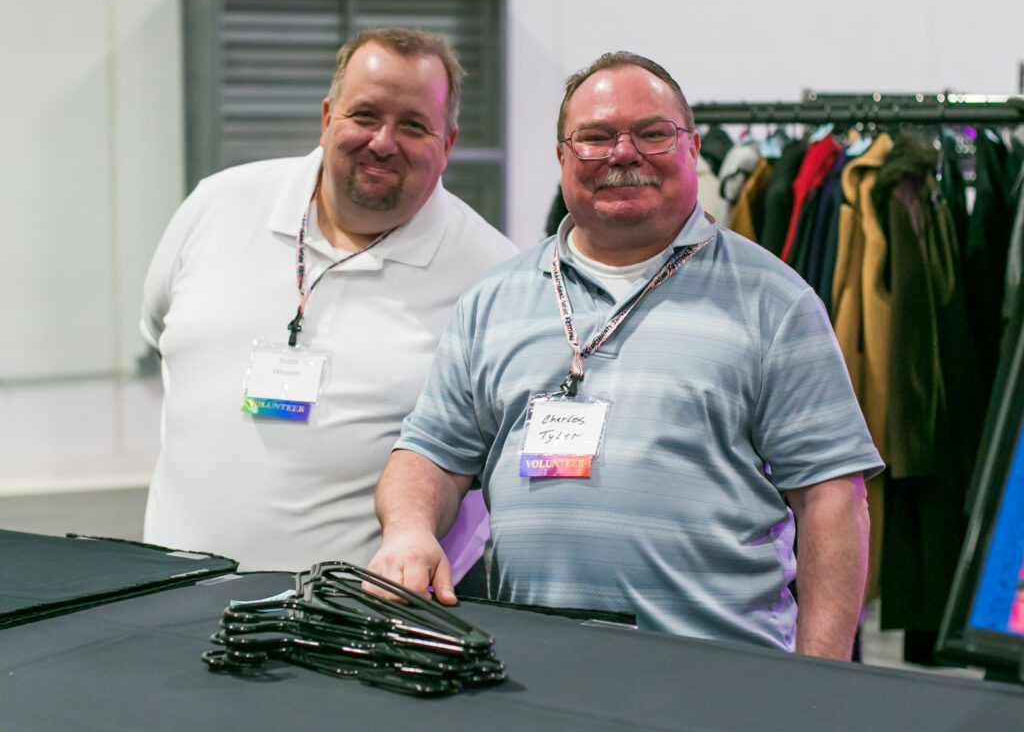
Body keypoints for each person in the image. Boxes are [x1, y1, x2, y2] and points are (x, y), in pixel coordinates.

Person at [369, 51, 883, 660]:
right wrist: (408, 530)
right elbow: (431, 453)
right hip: (528, 669)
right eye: (594, 137)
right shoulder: (492, 300)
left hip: (721, 675)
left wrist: (820, 680)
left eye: (652, 134)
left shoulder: (775, 301)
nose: (623, 154)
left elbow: (831, 499)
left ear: (692, 148)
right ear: (562, 156)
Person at [140, 28, 517, 571]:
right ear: (326, 118)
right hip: (166, 599)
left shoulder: (491, 276)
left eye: (413, 125)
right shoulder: (217, 206)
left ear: (449, 144)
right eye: (364, 116)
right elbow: (161, 338)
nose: (383, 142)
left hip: (354, 627)